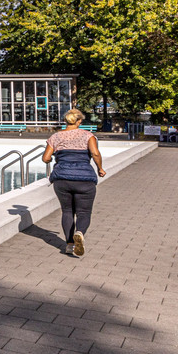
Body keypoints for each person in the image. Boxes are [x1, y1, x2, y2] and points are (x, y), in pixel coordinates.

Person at [42, 109, 106, 255]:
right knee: (83, 212)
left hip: (62, 179)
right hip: (84, 179)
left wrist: (53, 159)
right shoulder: (88, 136)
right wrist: (100, 169)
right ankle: (80, 232)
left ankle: (69, 244)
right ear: (79, 121)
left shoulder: (55, 137)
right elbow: (95, 153)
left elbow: (45, 158)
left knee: (67, 211)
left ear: (65, 121)